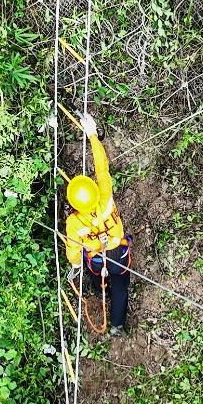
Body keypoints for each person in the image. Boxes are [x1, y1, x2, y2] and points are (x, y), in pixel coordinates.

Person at [65, 112, 131, 336]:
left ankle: (101, 288)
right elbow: (101, 167)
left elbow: (73, 250)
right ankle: (117, 325)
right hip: (118, 252)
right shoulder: (104, 195)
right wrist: (92, 134)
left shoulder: (74, 222)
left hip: (96, 258)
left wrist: (75, 265)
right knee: (121, 286)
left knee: (96, 272)